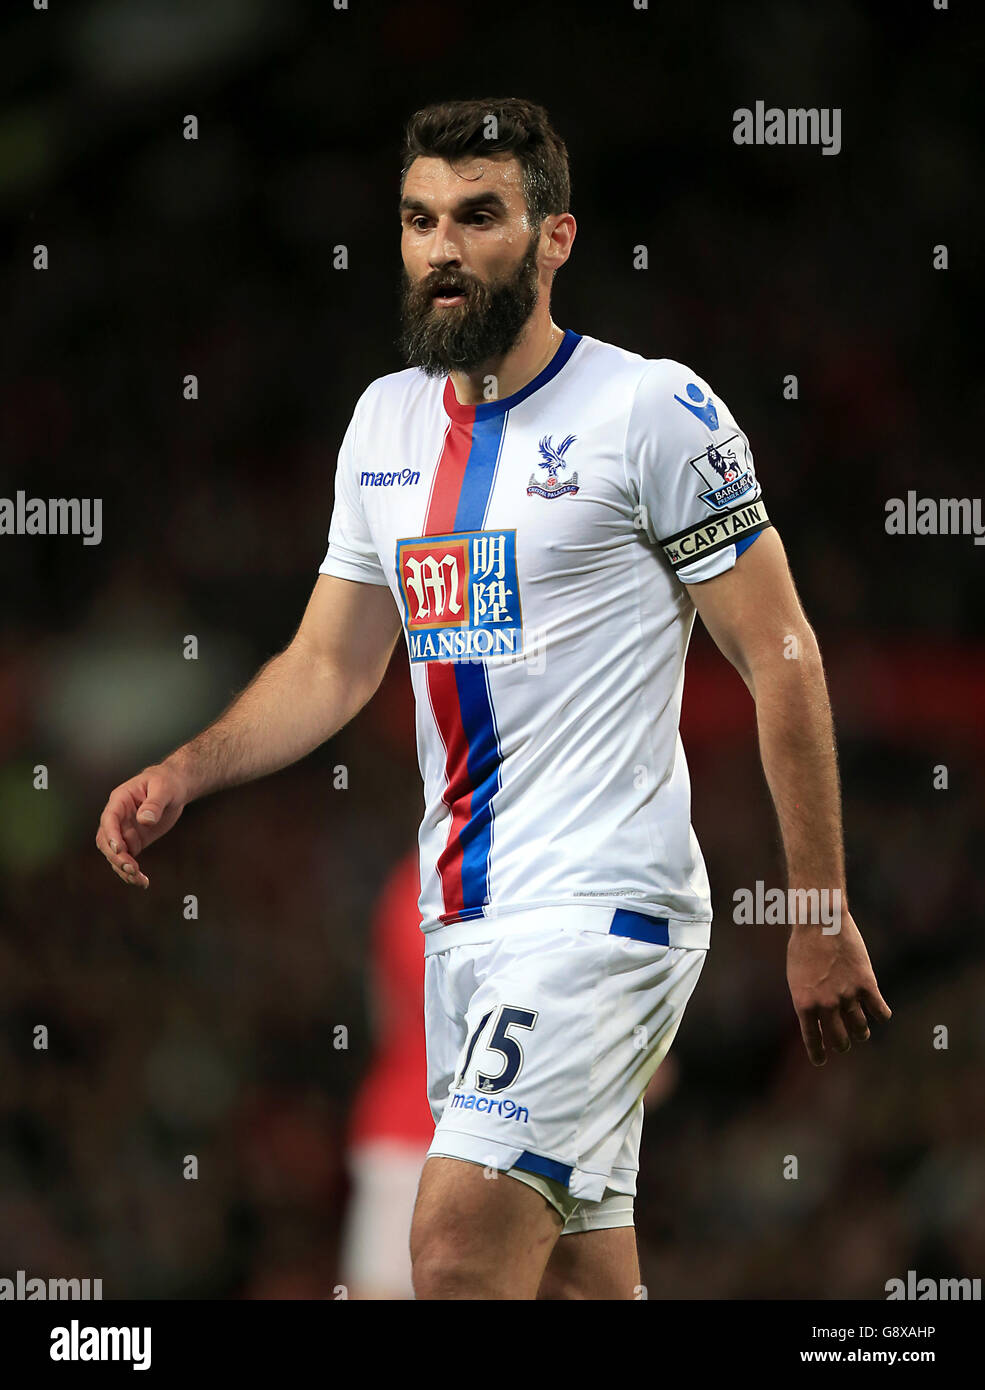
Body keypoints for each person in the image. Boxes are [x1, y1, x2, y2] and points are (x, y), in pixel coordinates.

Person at [96, 97, 892, 1300]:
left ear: (554, 238)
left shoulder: (649, 411)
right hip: (459, 930)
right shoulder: (384, 424)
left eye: (478, 216)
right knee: (577, 1278)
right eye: (419, 220)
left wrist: (819, 906)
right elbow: (330, 662)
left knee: (455, 1249)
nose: (442, 248)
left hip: (600, 912)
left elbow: (780, 653)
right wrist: (188, 770)